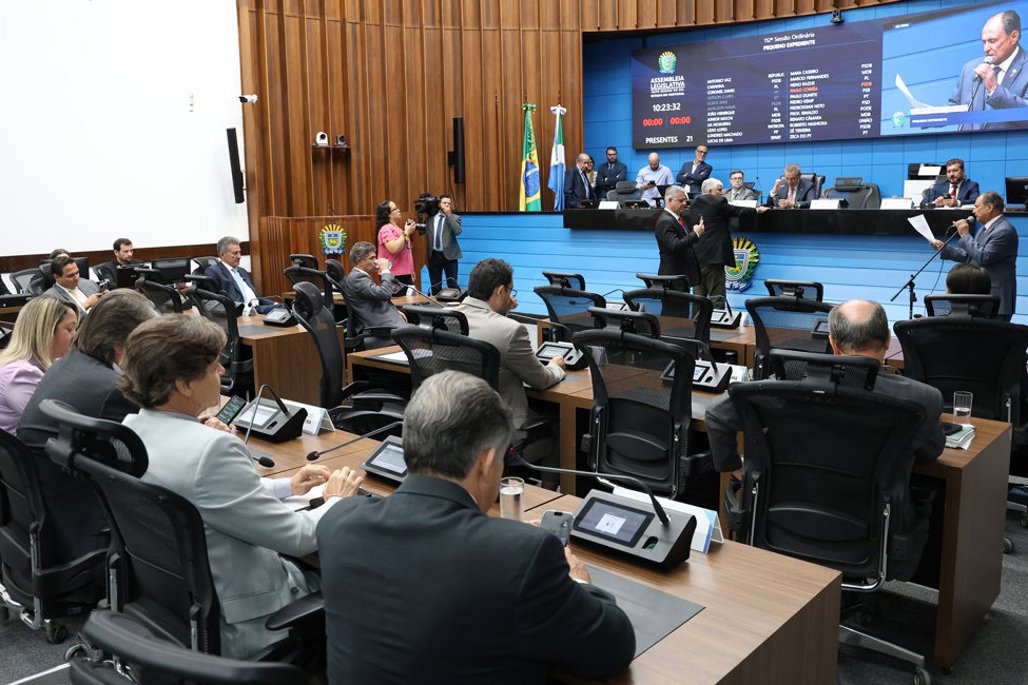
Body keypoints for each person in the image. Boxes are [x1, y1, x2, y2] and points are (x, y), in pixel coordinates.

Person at [317, 370, 635, 684]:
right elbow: (612, 649)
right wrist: (576, 582)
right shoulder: (522, 556)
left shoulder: (338, 522)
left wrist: (499, 539)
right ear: (485, 462)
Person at [119, 315, 364, 659]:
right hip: (252, 619)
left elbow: (205, 498)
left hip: (176, 608)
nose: (221, 370)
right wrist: (335, 501)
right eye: (213, 363)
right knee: (369, 579)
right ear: (184, 384)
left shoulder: (131, 430)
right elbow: (299, 538)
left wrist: (286, 487)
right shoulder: (211, 449)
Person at [706, 299, 945, 474]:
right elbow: (928, 454)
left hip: (782, 520)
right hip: (874, 531)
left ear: (832, 343)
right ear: (886, 342)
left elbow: (716, 414)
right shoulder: (923, 399)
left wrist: (737, 471)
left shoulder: (782, 388)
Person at [18, 290, 157, 565]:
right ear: (124, 344)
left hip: (49, 514)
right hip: (81, 523)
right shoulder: (111, 389)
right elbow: (153, 455)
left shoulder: (65, 365)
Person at [456, 259, 565, 454]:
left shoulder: (445, 319)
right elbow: (541, 380)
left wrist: (503, 311)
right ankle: (541, 486)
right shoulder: (511, 331)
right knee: (562, 433)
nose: (511, 297)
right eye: (510, 291)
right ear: (500, 291)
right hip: (500, 431)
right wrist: (556, 366)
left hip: (454, 424)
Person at [931, 191, 1018, 320]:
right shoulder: (984, 228)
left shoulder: (1004, 231)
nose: (973, 210)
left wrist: (965, 235)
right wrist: (945, 249)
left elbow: (984, 258)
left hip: (997, 297)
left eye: (977, 206)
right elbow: (971, 255)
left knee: (995, 338)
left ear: (989, 208)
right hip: (980, 296)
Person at [0, 298, 78, 434]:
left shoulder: (41, 363)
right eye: (70, 329)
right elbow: (54, 423)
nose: (75, 335)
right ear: (46, 331)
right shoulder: (21, 373)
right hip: (26, 452)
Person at [689, 178, 768, 302]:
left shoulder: (694, 203)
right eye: (719, 190)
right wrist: (757, 210)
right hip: (714, 256)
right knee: (717, 296)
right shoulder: (718, 202)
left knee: (698, 297)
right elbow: (738, 211)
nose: (722, 193)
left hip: (697, 254)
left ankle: (697, 321)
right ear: (710, 191)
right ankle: (717, 322)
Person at [949, 10, 1028, 131]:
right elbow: (955, 107)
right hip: (969, 147)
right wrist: (928, 115)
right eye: (984, 42)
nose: (986, 48)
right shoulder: (970, 68)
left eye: (992, 41)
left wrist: (994, 90)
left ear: (1013, 37)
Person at [343, 241, 407, 348]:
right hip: (380, 330)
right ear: (359, 261)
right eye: (371, 258)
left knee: (421, 332)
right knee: (422, 336)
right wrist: (385, 271)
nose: (375, 261)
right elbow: (385, 294)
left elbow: (377, 299)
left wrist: (395, 312)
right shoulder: (357, 278)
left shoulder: (361, 276)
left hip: (385, 323)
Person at [204, 236, 277, 312]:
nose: (239, 256)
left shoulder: (242, 271)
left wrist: (275, 304)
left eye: (239, 252)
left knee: (284, 307)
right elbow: (217, 302)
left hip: (258, 308)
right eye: (235, 253)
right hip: (242, 312)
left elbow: (256, 297)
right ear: (222, 254)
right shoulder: (214, 272)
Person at [654, 185, 703, 290]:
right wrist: (695, 234)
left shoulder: (677, 218)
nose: (685, 204)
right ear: (669, 200)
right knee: (676, 306)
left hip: (681, 277)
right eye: (681, 201)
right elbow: (675, 246)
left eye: (685, 200)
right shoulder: (665, 221)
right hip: (672, 278)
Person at [425, 194, 462, 293]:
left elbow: (458, 231)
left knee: (452, 283)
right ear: (439, 204)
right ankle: (437, 306)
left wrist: (449, 215)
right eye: (444, 203)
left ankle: (455, 303)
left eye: (449, 203)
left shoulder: (454, 217)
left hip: (450, 255)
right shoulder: (430, 218)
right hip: (434, 255)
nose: (447, 205)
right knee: (435, 284)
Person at [376, 199, 417, 287]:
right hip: (393, 274)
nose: (399, 210)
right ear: (389, 214)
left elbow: (407, 252)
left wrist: (411, 270)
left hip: (404, 273)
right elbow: (393, 249)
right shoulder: (385, 229)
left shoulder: (399, 229)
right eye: (395, 209)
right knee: (398, 300)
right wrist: (406, 232)